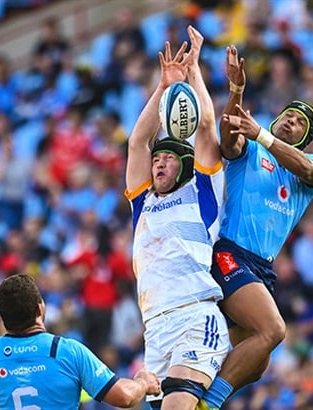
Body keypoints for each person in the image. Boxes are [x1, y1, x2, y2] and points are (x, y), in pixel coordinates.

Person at [200, 45, 313, 409]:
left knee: (256, 365)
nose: (291, 121)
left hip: (262, 268)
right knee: (272, 330)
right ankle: (206, 403)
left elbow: (310, 170)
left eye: (300, 123)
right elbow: (228, 138)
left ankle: (182, 389)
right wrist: (236, 92)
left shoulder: (308, 167)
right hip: (230, 253)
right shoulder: (253, 151)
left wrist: (262, 134)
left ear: (306, 139)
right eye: (288, 114)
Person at [124, 26, 229, 410]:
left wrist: (194, 71)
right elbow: (137, 142)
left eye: (168, 156)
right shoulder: (142, 203)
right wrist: (163, 86)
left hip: (195, 316)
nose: (159, 161)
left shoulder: (202, 195)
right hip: (155, 328)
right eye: (157, 157)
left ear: (183, 165)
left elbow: (204, 127)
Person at [0, 274, 160, 410]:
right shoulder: (67, 351)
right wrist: (142, 382)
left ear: (3, 318)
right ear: (40, 309)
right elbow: (124, 397)